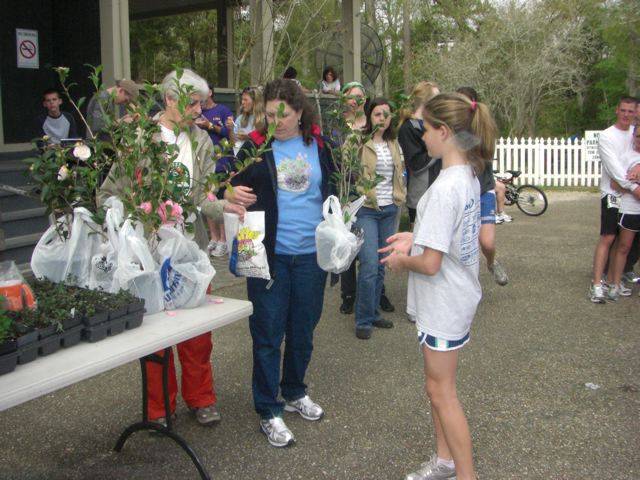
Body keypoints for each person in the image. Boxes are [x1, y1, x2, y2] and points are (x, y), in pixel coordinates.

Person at [98, 68, 245, 427]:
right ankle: (159, 407)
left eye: (201, 102)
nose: (200, 110)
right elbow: (107, 192)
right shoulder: (138, 137)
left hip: (187, 250)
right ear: (169, 100)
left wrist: (222, 205)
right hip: (147, 252)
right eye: (192, 103)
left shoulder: (202, 142)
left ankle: (201, 398)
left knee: (196, 329)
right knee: (153, 336)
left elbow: (202, 198)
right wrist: (128, 215)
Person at [381, 92, 497, 480]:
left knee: (442, 392)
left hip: (445, 303)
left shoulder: (447, 186)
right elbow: (442, 238)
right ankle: (445, 461)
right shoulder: (466, 173)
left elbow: (430, 263)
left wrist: (402, 260)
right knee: (436, 388)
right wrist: (413, 237)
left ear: (444, 132)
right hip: (453, 297)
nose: (421, 135)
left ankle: (466, 474)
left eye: (426, 128)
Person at [226, 78, 333, 447]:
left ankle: (294, 391)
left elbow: (334, 189)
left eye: (282, 114)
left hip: (310, 257)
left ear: (300, 111)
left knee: (303, 329)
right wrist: (228, 192)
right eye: (269, 114)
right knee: (268, 334)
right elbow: (220, 184)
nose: (275, 121)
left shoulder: (319, 145)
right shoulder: (255, 147)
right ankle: (268, 409)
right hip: (266, 253)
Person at [337, 82, 396, 315]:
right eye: (352, 97)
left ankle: (376, 297)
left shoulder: (376, 127)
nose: (356, 101)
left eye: (361, 97)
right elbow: (338, 166)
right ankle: (349, 296)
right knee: (352, 251)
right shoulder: (339, 127)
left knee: (373, 256)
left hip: (379, 199)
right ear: (345, 100)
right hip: (353, 195)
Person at [353, 98, 406, 340]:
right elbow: (346, 173)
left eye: (386, 113)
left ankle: (373, 313)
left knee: (383, 263)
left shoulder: (394, 143)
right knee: (369, 266)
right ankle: (363, 320)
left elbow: (400, 173)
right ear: (369, 116)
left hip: (389, 209)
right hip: (367, 209)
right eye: (377, 114)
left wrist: (400, 197)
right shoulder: (358, 142)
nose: (382, 118)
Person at [457, 87, 508, 286]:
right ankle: (469, 283)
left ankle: (492, 261)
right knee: (465, 244)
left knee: (486, 242)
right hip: (462, 193)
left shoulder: (483, 129)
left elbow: (484, 158)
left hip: (483, 191)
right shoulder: (452, 129)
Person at [589, 97, 639, 303]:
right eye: (623, 110)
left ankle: (614, 279)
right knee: (608, 238)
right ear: (617, 111)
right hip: (612, 194)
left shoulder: (634, 132)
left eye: (631, 111)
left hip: (630, 197)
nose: (627, 115)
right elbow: (616, 172)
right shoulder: (607, 136)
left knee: (625, 241)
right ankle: (597, 284)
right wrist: (635, 188)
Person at [196, 85, 235, 256]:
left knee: (219, 199)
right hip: (204, 163)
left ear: (210, 92)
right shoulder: (196, 111)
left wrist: (210, 126)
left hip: (221, 162)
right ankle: (213, 237)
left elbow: (229, 133)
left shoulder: (223, 110)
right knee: (208, 199)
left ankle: (224, 240)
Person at [398, 81, 441, 230]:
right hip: (420, 198)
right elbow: (416, 164)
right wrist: (440, 148)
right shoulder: (408, 128)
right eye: (437, 98)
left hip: (439, 195)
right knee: (418, 245)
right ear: (426, 101)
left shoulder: (436, 125)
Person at [609, 125, 640, 298]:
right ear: (634, 136)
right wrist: (633, 187)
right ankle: (615, 283)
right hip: (630, 209)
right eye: (638, 136)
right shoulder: (626, 157)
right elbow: (614, 184)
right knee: (623, 247)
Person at [233, 86, 264, 155]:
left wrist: (249, 137)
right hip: (240, 159)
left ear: (255, 101)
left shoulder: (265, 119)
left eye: (245, 100)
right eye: (242, 99)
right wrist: (230, 129)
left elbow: (265, 141)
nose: (242, 102)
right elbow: (233, 142)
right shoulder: (240, 118)